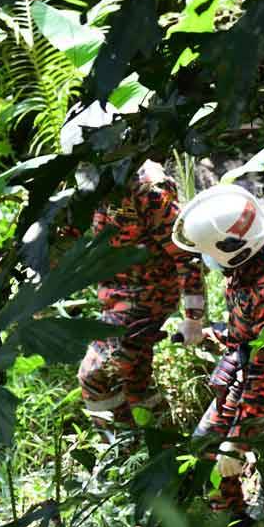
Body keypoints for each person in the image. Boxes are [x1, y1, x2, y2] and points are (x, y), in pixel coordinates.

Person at [172, 184, 264, 521]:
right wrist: (212, 331)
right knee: (204, 450)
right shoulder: (254, 249)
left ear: (233, 248)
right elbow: (251, 333)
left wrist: (237, 442)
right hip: (252, 367)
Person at [78, 159, 205, 426]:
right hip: (115, 294)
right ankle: (159, 443)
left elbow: (187, 254)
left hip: (146, 299)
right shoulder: (94, 174)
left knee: (94, 374)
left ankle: (120, 448)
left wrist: (193, 318)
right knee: (134, 381)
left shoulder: (148, 190)